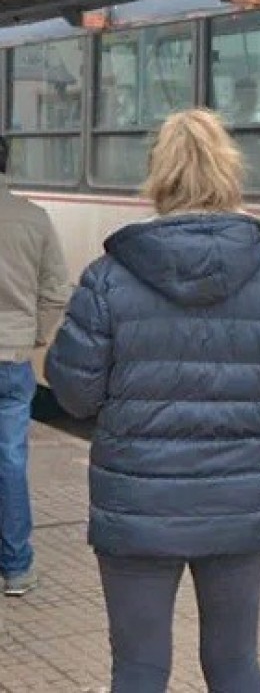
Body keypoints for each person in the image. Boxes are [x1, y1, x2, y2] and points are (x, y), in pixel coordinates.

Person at [44, 109, 260, 693]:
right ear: (229, 174)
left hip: (137, 506)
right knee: (235, 663)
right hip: (239, 502)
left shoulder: (107, 279)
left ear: (159, 179)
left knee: (141, 669)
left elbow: (73, 392)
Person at [0, 134, 69, 597]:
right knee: (9, 460)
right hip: (11, 357)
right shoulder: (34, 218)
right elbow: (54, 290)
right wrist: (35, 335)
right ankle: (17, 567)